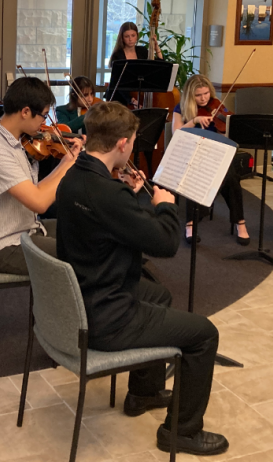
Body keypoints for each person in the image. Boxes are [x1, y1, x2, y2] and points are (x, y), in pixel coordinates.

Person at [56, 102, 228, 456]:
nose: (133, 147)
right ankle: (180, 431)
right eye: (133, 141)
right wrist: (164, 204)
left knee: (160, 294)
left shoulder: (75, 175)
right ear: (122, 144)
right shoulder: (108, 194)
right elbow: (166, 244)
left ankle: (143, 392)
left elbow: (108, 221)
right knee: (204, 334)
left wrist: (132, 199)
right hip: (108, 315)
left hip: (84, 294)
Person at [0, 76, 83, 275]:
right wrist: (69, 162)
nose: (45, 123)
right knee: (81, 257)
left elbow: (36, 190)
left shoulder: (18, 140)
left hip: (25, 228)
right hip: (2, 245)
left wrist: (66, 161)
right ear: (25, 112)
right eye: (44, 116)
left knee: (82, 231)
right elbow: (38, 202)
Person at [172, 75, 250, 245]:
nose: (204, 98)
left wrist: (224, 126)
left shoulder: (216, 105)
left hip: (216, 152)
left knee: (231, 177)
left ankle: (240, 222)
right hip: (192, 153)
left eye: (206, 93)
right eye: (198, 95)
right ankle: (191, 223)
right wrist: (194, 120)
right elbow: (176, 133)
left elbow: (227, 131)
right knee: (196, 176)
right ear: (190, 96)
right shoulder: (181, 108)